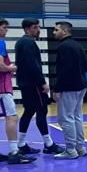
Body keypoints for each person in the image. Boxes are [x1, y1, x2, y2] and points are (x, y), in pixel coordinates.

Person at [14, 18, 62, 155]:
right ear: (27, 29)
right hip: (33, 84)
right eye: (35, 27)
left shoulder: (20, 42)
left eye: (38, 27)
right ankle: (48, 144)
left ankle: (21, 144)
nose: (38, 30)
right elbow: (33, 66)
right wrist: (42, 82)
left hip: (24, 83)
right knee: (42, 111)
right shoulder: (29, 43)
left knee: (28, 112)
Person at [51, 21, 87, 160]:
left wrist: (57, 88)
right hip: (81, 85)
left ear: (64, 31)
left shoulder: (64, 47)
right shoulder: (78, 45)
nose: (53, 32)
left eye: (56, 30)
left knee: (65, 118)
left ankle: (70, 149)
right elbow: (85, 66)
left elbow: (63, 70)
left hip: (69, 87)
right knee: (77, 116)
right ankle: (80, 147)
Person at [0, 19, 34, 164]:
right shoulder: (0, 43)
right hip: (2, 88)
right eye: (3, 28)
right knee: (12, 117)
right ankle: (14, 152)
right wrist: (11, 68)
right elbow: (0, 66)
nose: (6, 30)